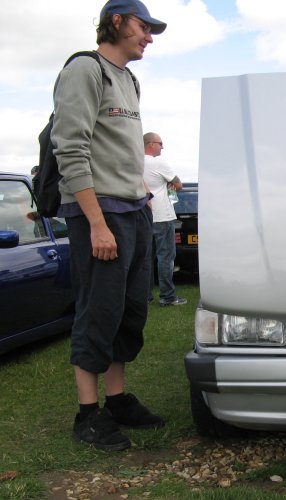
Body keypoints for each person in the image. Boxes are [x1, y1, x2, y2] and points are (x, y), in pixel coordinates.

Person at [52, 0, 167, 450]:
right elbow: (71, 149)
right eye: (144, 26)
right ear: (117, 21)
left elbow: (121, 148)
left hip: (133, 210)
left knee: (129, 310)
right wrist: (97, 224)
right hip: (99, 213)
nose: (149, 37)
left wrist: (140, 192)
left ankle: (117, 400)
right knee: (98, 310)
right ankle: (87, 415)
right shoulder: (86, 69)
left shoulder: (128, 79)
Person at [143, 132, 188, 306]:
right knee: (166, 257)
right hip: (163, 215)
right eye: (160, 143)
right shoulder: (158, 162)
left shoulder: (136, 161)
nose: (162, 147)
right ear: (150, 144)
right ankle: (168, 297)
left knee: (146, 258)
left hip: (146, 216)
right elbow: (178, 185)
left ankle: (145, 296)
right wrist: (168, 183)